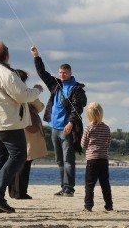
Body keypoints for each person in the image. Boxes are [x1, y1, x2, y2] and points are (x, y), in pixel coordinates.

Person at [0, 42, 43, 214]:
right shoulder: (7, 73)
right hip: (8, 123)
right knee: (19, 155)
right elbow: (23, 96)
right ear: (6, 56)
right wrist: (37, 89)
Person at [30, 45, 87, 197]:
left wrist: (71, 123)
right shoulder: (56, 84)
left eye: (65, 72)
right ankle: (64, 187)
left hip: (67, 128)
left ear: (70, 73)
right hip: (54, 128)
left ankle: (69, 188)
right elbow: (42, 73)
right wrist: (36, 56)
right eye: (60, 72)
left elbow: (77, 108)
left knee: (68, 160)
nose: (62, 74)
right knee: (59, 160)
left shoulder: (76, 88)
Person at [7, 69, 46, 202]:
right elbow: (40, 107)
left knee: (12, 160)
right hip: (26, 129)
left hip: (11, 126)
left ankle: (12, 191)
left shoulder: (8, 91)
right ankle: (21, 191)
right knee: (25, 161)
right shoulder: (27, 92)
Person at [81, 102, 113, 213]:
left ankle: (88, 206)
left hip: (92, 160)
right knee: (105, 184)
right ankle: (109, 205)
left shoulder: (88, 128)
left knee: (90, 184)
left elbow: (83, 144)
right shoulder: (106, 128)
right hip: (103, 159)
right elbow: (108, 143)